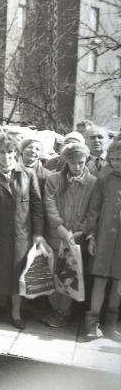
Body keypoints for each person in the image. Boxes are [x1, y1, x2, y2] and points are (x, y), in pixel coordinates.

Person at [0, 134, 45, 329]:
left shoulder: (27, 174)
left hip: (21, 235)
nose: (7, 156)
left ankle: (16, 314)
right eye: (2, 152)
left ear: (16, 153)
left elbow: (37, 206)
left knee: (18, 274)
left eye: (10, 152)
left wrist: (38, 233)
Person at [41, 142, 97, 328]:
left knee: (69, 275)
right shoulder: (54, 179)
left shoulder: (92, 182)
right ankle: (53, 307)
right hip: (56, 235)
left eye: (81, 162)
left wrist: (81, 230)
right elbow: (49, 205)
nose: (77, 166)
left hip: (76, 238)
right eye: (73, 163)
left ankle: (63, 312)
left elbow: (93, 210)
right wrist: (59, 227)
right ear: (66, 161)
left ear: (86, 160)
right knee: (52, 273)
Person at [83, 139, 121, 340]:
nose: (116, 162)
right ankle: (92, 324)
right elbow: (94, 210)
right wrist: (91, 236)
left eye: (120, 158)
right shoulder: (104, 179)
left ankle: (111, 324)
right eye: (113, 159)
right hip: (105, 238)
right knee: (100, 279)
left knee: (118, 282)